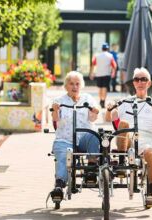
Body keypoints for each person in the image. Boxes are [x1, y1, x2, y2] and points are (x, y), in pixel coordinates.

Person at [105, 67, 152, 206]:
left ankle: (151, 192)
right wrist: (109, 108)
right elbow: (108, 118)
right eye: (137, 79)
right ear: (134, 83)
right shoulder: (125, 102)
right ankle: (120, 162)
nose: (140, 82)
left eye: (144, 79)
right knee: (124, 123)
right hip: (127, 139)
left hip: (146, 138)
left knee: (150, 153)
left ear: (149, 83)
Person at [50, 71, 100, 201]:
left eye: (77, 84)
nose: (74, 87)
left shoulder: (87, 98)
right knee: (65, 155)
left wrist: (94, 112)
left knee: (94, 135)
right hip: (65, 139)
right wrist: (55, 110)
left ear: (81, 85)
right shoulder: (59, 101)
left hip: (84, 138)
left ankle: (90, 170)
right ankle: (59, 186)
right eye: (71, 84)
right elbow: (55, 119)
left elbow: (93, 119)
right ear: (66, 86)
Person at [90, 42, 117, 108]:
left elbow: (93, 64)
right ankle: (103, 100)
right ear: (107, 48)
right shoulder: (110, 56)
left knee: (100, 88)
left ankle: (100, 100)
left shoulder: (97, 56)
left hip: (99, 74)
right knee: (105, 88)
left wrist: (92, 73)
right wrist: (113, 72)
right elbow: (114, 65)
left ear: (102, 49)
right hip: (106, 74)